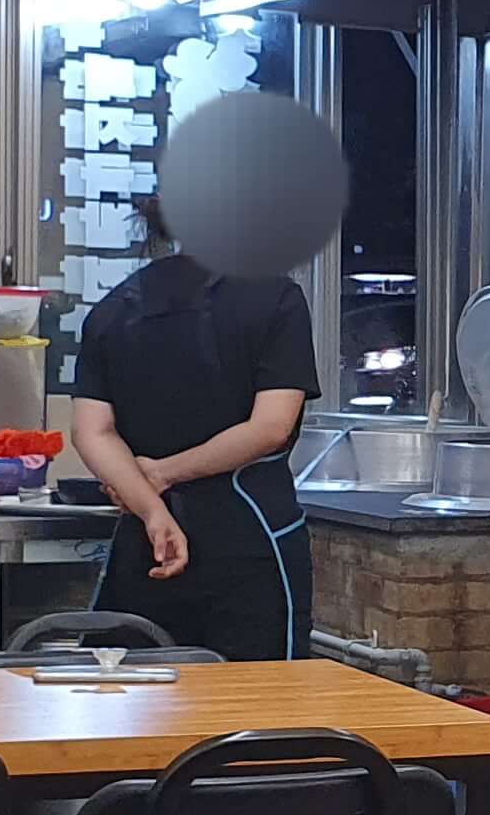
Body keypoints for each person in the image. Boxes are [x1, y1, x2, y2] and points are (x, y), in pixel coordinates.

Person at [65, 224, 322, 662]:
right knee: (257, 701)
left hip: (150, 546)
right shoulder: (276, 298)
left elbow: (93, 432)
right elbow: (270, 428)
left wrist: (150, 507)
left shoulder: (114, 308)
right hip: (250, 547)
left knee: (140, 692)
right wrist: (162, 474)